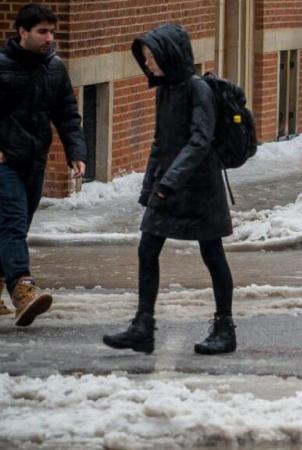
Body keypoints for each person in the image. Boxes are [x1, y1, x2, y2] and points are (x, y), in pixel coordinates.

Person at [103, 24, 236, 355]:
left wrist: (168, 182)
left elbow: (200, 141)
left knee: (212, 254)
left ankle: (225, 328)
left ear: (170, 55)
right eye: (146, 58)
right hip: (168, 187)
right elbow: (161, 143)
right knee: (147, 249)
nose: (148, 64)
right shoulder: (165, 90)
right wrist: (151, 186)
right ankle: (142, 327)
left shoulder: (198, 90)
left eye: (152, 57)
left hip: (202, 188)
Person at [0, 3, 87, 327]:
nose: (49, 37)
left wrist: (76, 153)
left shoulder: (54, 68)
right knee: (12, 222)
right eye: (42, 31)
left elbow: (66, 114)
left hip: (34, 161)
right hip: (4, 161)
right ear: (22, 32)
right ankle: (23, 289)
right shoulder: (2, 65)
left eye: (51, 31)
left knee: (16, 229)